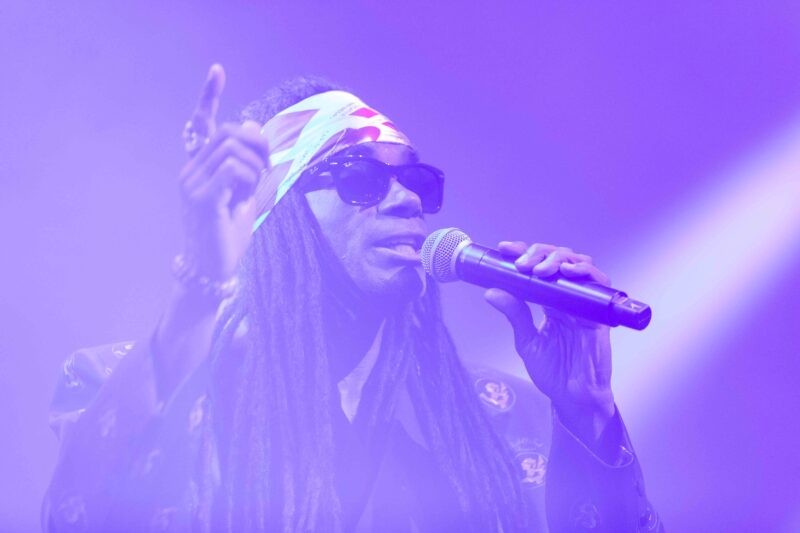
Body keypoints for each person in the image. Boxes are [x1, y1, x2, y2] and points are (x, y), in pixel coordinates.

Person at [43, 65, 663, 532]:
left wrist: (588, 412)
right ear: (278, 216)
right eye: (361, 178)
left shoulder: (501, 417)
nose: (407, 199)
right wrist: (197, 292)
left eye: (416, 180)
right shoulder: (120, 382)